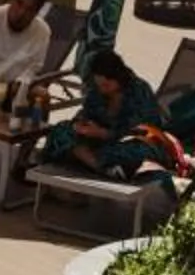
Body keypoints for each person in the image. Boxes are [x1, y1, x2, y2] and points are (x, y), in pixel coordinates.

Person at [42, 49, 167, 181]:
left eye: (106, 85)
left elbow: (142, 131)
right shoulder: (97, 90)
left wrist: (104, 133)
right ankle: (101, 167)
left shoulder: (139, 92)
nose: (102, 89)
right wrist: (82, 124)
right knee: (62, 131)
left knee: (136, 152)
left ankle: (96, 163)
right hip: (98, 142)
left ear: (118, 78)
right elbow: (87, 111)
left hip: (130, 141)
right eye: (99, 85)